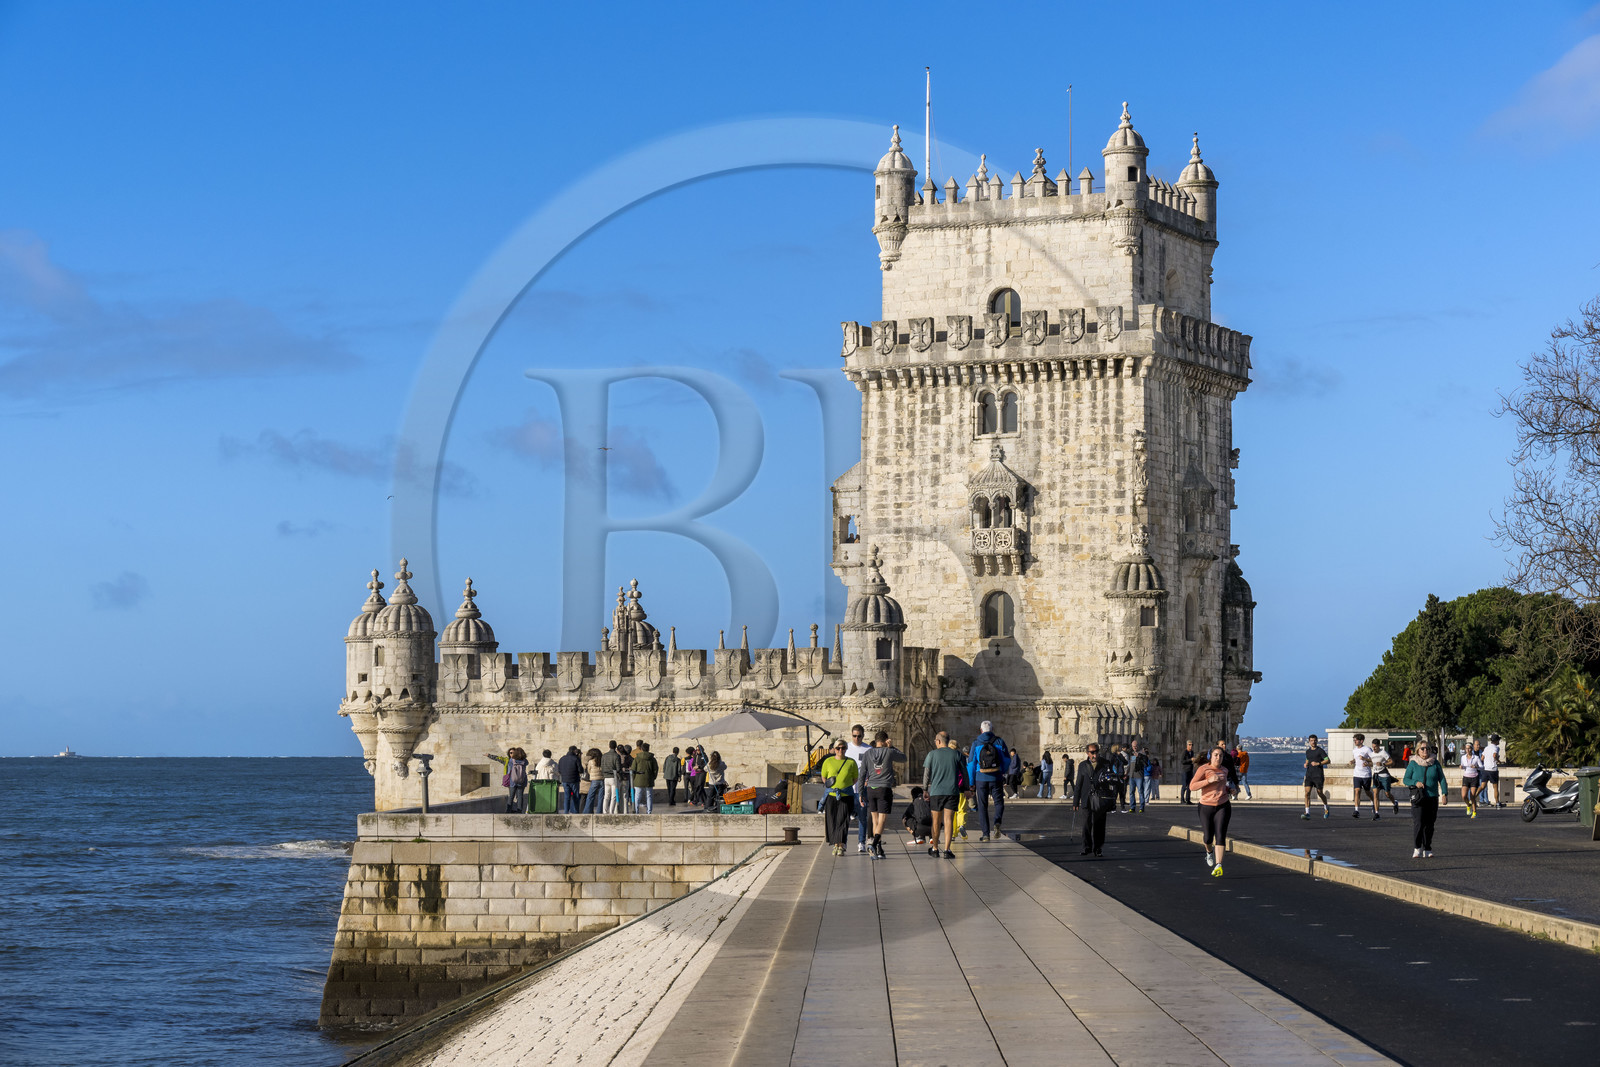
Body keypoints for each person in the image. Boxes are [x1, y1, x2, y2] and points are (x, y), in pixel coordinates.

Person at [860, 731, 906, 858]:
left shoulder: (868, 753)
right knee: (882, 819)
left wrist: (860, 792)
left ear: (875, 741)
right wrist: (891, 747)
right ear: (886, 740)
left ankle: (879, 848)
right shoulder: (889, 751)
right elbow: (903, 758)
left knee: (875, 819)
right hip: (884, 788)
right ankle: (874, 844)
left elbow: (862, 774)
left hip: (870, 789)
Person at [1190, 746, 1234, 876]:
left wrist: (1231, 790)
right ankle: (1209, 852)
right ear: (1210, 756)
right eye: (1215, 755)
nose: (1218, 758)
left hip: (1223, 805)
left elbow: (1224, 786)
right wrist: (1208, 780)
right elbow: (1192, 786)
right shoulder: (1203, 769)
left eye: (1220, 756)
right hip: (1206, 806)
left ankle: (1218, 864)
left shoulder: (1225, 770)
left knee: (1220, 835)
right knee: (1208, 837)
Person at [968, 721, 1012, 841]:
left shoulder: (976, 743)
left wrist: (971, 783)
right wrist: (1001, 771)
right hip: (996, 777)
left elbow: (971, 764)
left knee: (982, 806)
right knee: (999, 803)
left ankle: (986, 834)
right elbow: (1007, 760)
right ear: (992, 729)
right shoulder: (999, 741)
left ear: (981, 730)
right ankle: (997, 822)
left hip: (980, 778)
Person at [922, 730, 963, 858]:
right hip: (952, 792)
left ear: (939, 741)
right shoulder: (957, 754)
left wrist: (924, 789)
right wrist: (967, 788)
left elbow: (926, 774)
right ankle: (947, 850)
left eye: (935, 740)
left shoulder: (932, 754)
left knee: (936, 821)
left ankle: (935, 849)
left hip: (936, 792)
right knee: (948, 820)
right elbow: (964, 773)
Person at [1404, 740, 1448, 857]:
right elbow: (1405, 779)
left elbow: (1442, 779)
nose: (1425, 751)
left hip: (1432, 797)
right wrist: (1415, 782)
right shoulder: (1413, 763)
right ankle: (1417, 847)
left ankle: (1427, 848)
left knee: (1429, 824)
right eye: (1422, 749)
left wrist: (1444, 793)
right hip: (1418, 798)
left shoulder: (1435, 763)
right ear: (1418, 750)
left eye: (1427, 748)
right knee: (1418, 823)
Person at [1073, 743, 1115, 856]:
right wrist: (1075, 801)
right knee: (1086, 824)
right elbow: (1078, 784)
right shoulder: (1082, 765)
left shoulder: (1106, 764)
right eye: (1092, 752)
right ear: (1087, 753)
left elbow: (1112, 782)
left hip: (1100, 798)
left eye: (1096, 751)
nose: (1095, 754)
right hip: (1086, 798)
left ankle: (1098, 848)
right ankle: (1086, 847)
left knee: (1100, 824)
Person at [820, 740, 859, 856]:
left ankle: (841, 845)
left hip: (846, 795)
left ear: (846, 749)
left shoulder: (851, 762)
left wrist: (844, 786)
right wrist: (832, 787)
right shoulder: (828, 761)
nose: (840, 750)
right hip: (831, 796)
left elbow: (855, 778)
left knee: (843, 820)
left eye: (843, 748)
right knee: (831, 820)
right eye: (838, 748)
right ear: (835, 749)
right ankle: (835, 844)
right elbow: (824, 777)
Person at [845, 724, 872, 854]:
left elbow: (872, 769)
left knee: (862, 817)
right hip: (848, 788)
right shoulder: (846, 748)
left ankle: (861, 842)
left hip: (862, 789)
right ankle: (843, 842)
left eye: (859, 736)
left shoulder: (868, 749)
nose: (856, 738)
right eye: (854, 736)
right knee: (845, 817)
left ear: (863, 735)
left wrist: (868, 781)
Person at [488, 747, 529, 813]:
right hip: (522, 781)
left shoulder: (511, 760)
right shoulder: (525, 761)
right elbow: (527, 764)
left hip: (513, 781)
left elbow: (509, 767)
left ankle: (508, 810)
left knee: (511, 796)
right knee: (520, 796)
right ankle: (519, 811)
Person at [1302, 734, 1331, 819]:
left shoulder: (1320, 751)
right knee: (1307, 793)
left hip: (1318, 775)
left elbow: (1328, 760)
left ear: (1317, 741)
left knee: (1320, 793)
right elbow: (1308, 759)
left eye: (1314, 740)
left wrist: (1318, 763)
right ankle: (1307, 813)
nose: (1313, 742)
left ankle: (1326, 807)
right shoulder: (1308, 751)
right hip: (1309, 775)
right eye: (1311, 740)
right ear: (1309, 742)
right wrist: (1306, 763)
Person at [1350, 732, 1378, 819]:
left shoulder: (1367, 749)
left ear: (1361, 741)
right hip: (1357, 774)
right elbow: (1356, 759)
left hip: (1366, 774)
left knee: (1367, 792)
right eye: (1354, 740)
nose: (1355, 741)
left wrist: (1365, 760)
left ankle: (1373, 801)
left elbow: (1373, 760)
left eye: (1356, 740)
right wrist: (1352, 761)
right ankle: (1356, 810)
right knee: (1357, 791)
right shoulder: (1354, 750)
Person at [1371, 741, 1400, 815]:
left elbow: (1392, 762)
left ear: (1379, 746)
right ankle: (1377, 813)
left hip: (1384, 775)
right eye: (1373, 747)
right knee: (1375, 794)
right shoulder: (1371, 754)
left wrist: (1383, 764)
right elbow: (1373, 763)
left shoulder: (1383, 753)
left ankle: (1395, 803)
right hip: (1376, 776)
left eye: (1375, 747)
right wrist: (1367, 764)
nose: (1374, 748)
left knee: (1387, 794)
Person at [631, 741, 658, 814]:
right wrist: (653, 778)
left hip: (638, 780)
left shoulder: (637, 758)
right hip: (649, 780)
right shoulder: (652, 758)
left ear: (642, 749)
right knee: (649, 797)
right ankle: (649, 811)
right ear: (648, 749)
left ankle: (636, 811)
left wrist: (633, 779)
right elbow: (655, 769)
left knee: (637, 797)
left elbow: (633, 769)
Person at [1459, 742, 1482, 818]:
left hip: (1474, 777)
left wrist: (1476, 767)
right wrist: (1461, 767)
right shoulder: (1463, 757)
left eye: (1469, 748)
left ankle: (1474, 812)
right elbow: (1464, 766)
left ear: (1471, 749)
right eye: (1466, 748)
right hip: (1466, 777)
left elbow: (1482, 767)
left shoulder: (1476, 757)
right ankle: (1468, 805)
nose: (1468, 750)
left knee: (1472, 796)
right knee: (1464, 795)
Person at [557, 745, 582, 814]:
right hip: (574, 780)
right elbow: (581, 770)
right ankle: (575, 811)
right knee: (575, 796)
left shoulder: (562, 759)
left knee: (567, 796)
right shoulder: (576, 758)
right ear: (574, 751)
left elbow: (559, 770)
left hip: (565, 780)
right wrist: (579, 757)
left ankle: (566, 812)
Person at [600, 740, 622, 814]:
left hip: (606, 778)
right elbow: (618, 768)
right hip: (613, 777)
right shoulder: (616, 756)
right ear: (615, 747)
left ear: (609, 746)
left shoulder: (604, 755)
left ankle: (605, 811)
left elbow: (602, 767)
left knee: (606, 796)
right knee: (614, 796)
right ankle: (611, 811)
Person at [582, 747, 605, 814]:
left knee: (590, 796)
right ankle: (599, 811)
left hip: (594, 780)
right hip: (601, 780)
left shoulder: (591, 762)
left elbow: (588, 770)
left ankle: (587, 811)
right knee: (601, 797)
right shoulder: (602, 760)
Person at [1483, 734, 1503, 809]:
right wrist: (1498, 761)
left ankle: (1473, 798)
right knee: (1495, 787)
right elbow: (1494, 755)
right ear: (1496, 741)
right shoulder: (1496, 747)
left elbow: (1482, 757)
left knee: (1482, 786)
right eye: (1498, 740)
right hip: (1493, 769)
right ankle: (1497, 802)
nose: (1499, 741)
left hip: (1486, 769)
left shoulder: (1486, 748)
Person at [1109, 743, 1130, 812]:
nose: (1121, 749)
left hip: (1121, 776)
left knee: (1121, 792)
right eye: (1119, 747)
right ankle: (1113, 808)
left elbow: (1126, 762)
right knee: (1114, 793)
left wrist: (1120, 756)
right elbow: (1111, 766)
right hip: (1115, 776)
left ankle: (1122, 808)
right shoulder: (1113, 756)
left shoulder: (1120, 756)